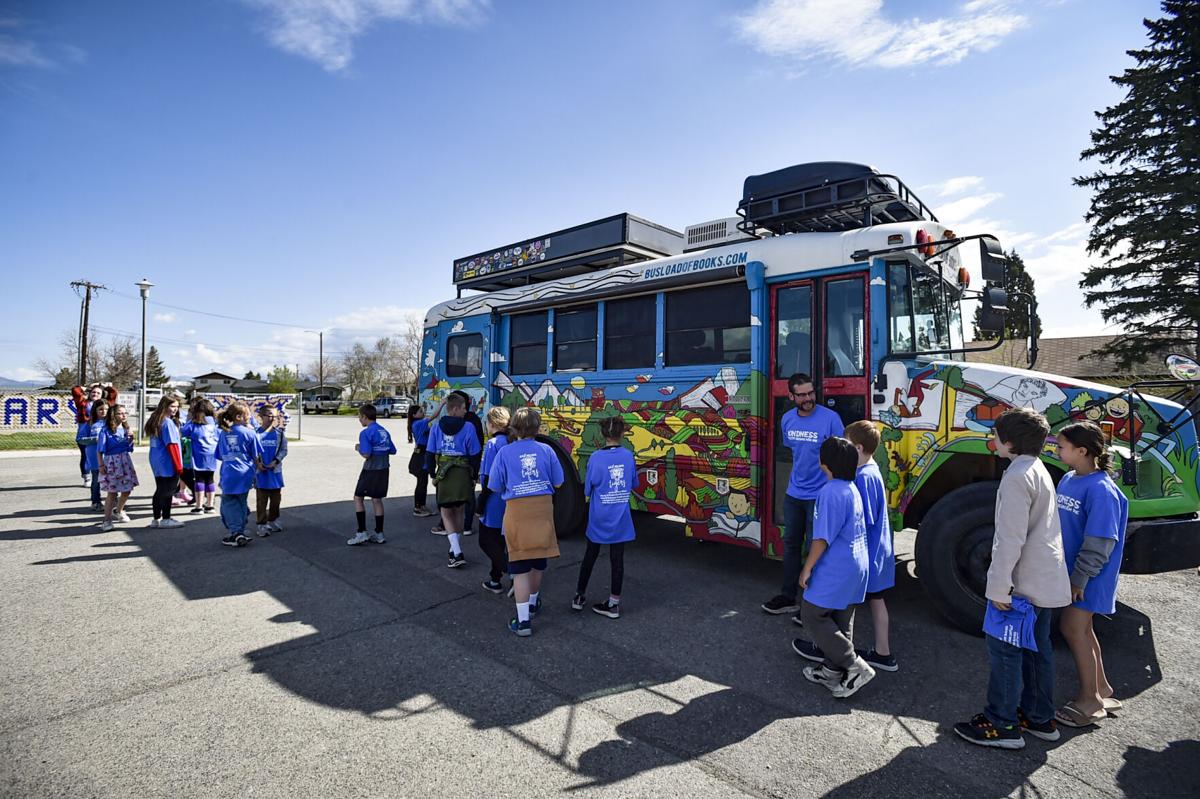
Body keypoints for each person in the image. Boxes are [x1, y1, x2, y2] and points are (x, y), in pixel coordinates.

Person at [954, 408, 1071, 749]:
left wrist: (999, 587)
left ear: (1009, 442)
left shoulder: (1016, 476)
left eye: (995, 435)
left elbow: (1009, 538)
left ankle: (1001, 723)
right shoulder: (1037, 468)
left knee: (1005, 651)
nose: (992, 440)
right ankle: (1038, 717)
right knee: (1037, 650)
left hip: (1020, 584)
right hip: (1044, 579)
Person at [1054, 421, 1128, 729]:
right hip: (1076, 576)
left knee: (1072, 628)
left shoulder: (1101, 490)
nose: (1055, 451)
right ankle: (1102, 689)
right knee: (1083, 630)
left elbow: (1101, 541)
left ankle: (1090, 702)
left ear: (1082, 451)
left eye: (1061, 447)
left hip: (1088, 579)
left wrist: (1079, 579)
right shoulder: (1069, 478)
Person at [792, 437, 875, 699]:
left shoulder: (829, 492)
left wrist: (807, 568)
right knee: (841, 618)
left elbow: (821, 539)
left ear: (825, 462)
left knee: (812, 614)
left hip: (837, 567)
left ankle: (854, 665)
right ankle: (832, 671)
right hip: (857, 565)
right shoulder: (851, 487)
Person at [762, 372, 845, 618]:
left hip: (820, 496)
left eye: (811, 393)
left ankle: (812, 606)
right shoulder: (787, 420)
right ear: (791, 396)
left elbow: (841, 457)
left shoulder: (831, 419)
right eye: (802, 395)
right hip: (794, 494)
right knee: (791, 546)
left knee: (814, 549)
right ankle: (788, 598)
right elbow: (795, 453)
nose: (808, 398)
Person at [487, 407, 563, 636]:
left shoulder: (504, 453)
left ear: (514, 428)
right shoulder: (547, 450)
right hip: (542, 510)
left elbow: (494, 485)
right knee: (538, 562)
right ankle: (532, 603)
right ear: (538, 428)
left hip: (516, 511)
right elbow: (559, 482)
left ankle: (523, 622)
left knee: (519, 567)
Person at [572, 416, 635, 619]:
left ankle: (579, 596)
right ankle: (614, 603)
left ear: (602, 434)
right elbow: (634, 483)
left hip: (599, 516)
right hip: (620, 518)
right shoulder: (628, 456)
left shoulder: (596, 457)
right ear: (622, 434)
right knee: (617, 560)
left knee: (590, 555)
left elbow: (588, 488)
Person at [848, 420, 897, 671]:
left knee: (842, 603)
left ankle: (834, 650)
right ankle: (883, 653)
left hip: (866, 553)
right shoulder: (873, 468)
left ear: (858, 448)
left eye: (847, 444)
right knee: (877, 601)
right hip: (878, 551)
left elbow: (862, 520)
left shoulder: (862, 477)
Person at [424, 393, 481, 565]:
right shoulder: (469, 427)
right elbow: (475, 454)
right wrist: (474, 475)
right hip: (462, 472)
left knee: (446, 511)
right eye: (463, 408)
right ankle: (454, 548)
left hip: (444, 472)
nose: (465, 411)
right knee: (459, 510)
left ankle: (456, 551)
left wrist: (432, 473)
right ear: (455, 409)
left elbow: (430, 452)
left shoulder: (436, 427)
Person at [347, 403, 396, 546]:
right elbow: (393, 450)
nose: (359, 420)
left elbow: (366, 454)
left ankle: (361, 532)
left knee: (358, 498)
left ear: (364, 417)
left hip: (370, 470)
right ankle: (379, 533)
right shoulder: (384, 431)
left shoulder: (366, 433)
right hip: (384, 469)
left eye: (359, 417)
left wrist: (359, 448)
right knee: (377, 499)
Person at [216, 401, 263, 548]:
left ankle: (236, 532)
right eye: (248, 414)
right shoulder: (250, 433)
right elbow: (256, 455)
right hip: (245, 473)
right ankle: (240, 529)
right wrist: (258, 469)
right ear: (239, 416)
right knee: (241, 500)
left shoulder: (224, 433)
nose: (250, 417)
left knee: (229, 502)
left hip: (229, 473)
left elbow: (220, 455)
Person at [476, 406, 511, 593]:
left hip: (494, 499)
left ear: (491, 424)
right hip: (508, 498)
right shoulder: (511, 442)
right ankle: (495, 578)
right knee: (501, 541)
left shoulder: (492, 444)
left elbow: (489, 477)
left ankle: (511, 571)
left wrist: (481, 502)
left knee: (486, 540)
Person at [145, 395, 184, 529]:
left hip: (157, 460)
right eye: (172, 406)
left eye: (177, 406)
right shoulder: (167, 423)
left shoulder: (156, 420)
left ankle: (156, 518)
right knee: (168, 491)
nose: (175, 409)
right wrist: (178, 465)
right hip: (167, 461)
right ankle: (166, 519)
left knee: (160, 489)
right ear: (164, 406)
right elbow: (172, 445)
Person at [97, 403, 137, 532]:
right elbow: (100, 450)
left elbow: (129, 448)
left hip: (124, 461)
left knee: (127, 489)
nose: (123, 415)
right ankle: (107, 520)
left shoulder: (125, 429)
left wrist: (131, 438)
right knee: (112, 492)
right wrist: (101, 465)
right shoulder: (105, 430)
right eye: (120, 413)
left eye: (125, 413)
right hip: (112, 462)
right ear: (113, 415)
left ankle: (118, 510)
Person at [454, 390, 485, 536]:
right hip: (471, 461)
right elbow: (479, 442)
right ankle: (466, 526)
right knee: (469, 493)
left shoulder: (450, 421)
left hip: (456, 463)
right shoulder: (474, 419)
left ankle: (449, 524)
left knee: (456, 493)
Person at [254, 405, 288, 537]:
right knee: (261, 500)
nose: (272, 418)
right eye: (268, 415)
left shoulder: (279, 434)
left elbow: (284, 450)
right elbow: (252, 451)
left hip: (275, 472)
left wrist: (276, 461)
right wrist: (258, 463)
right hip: (261, 473)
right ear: (261, 417)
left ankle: (273, 519)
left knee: (276, 499)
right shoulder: (255, 434)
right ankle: (261, 524)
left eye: (274, 416)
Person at [182, 399, 220, 514]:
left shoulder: (194, 424)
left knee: (199, 479)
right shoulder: (214, 424)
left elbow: (183, 432)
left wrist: (189, 419)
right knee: (210, 479)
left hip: (199, 455)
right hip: (212, 454)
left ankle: (199, 506)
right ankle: (210, 505)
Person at [73, 384, 104, 486]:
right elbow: (75, 390)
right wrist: (87, 388)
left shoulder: (103, 405)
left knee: (99, 455)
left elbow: (113, 394)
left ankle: (99, 476)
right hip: (84, 434)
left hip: (98, 434)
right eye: (93, 392)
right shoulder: (83, 403)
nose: (95, 394)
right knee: (85, 455)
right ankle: (86, 477)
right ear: (89, 393)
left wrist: (106, 386)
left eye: (98, 393)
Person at [408, 405, 435, 517]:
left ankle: (422, 505)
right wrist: (442, 404)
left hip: (422, 454)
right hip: (420, 457)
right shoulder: (418, 423)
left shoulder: (420, 424)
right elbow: (433, 416)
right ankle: (417, 507)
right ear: (414, 415)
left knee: (423, 482)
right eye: (420, 411)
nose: (423, 412)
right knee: (421, 482)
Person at [82, 399, 108, 511]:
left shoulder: (111, 423)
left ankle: (113, 501)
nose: (104, 411)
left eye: (106, 409)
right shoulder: (90, 424)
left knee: (112, 479)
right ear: (95, 410)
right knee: (97, 479)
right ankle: (96, 501)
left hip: (110, 456)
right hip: (94, 456)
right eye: (100, 409)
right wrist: (94, 439)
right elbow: (80, 439)